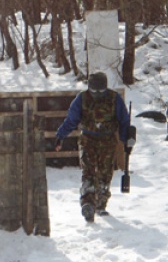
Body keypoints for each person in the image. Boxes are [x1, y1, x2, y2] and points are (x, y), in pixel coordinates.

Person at [54, 72, 131, 223]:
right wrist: (60, 136)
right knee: (88, 172)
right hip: (88, 140)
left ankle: (101, 204)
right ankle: (88, 204)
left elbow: (124, 121)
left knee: (105, 173)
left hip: (108, 141)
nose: (97, 94)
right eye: (94, 91)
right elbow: (71, 120)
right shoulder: (82, 99)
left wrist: (126, 139)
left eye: (100, 91)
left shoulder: (114, 98)